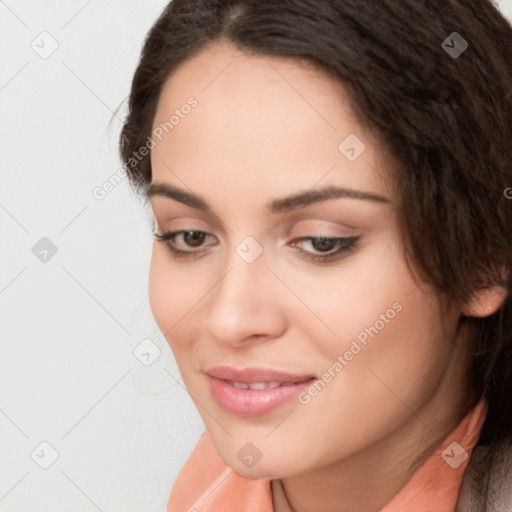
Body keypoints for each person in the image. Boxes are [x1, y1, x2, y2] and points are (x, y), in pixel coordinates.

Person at [118, 1, 512, 510]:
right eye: (190, 237)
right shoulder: (204, 493)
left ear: (485, 259)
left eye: (321, 242)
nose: (230, 319)